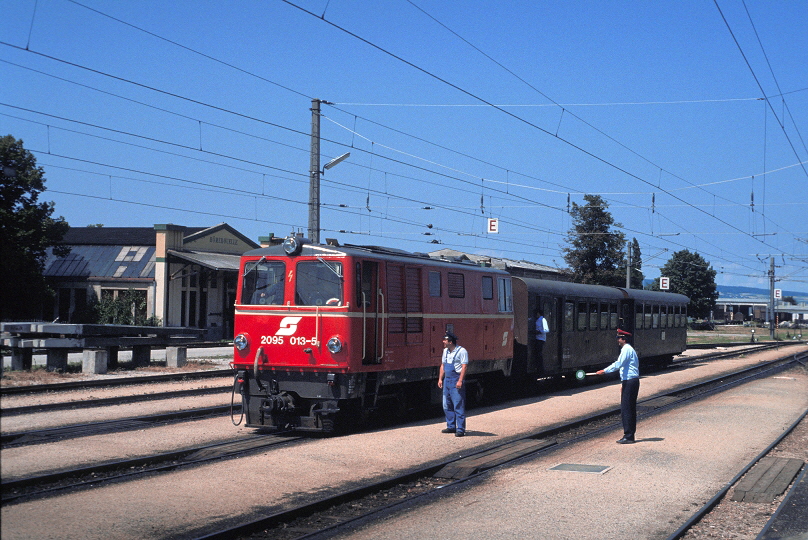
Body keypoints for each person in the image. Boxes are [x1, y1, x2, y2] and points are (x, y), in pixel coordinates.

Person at [597, 328, 640, 444]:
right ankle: (630, 434)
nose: (617, 340)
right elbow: (627, 368)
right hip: (631, 381)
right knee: (629, 408)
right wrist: (623, 383)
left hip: (630, 381)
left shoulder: (626, 350)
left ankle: (629, 436)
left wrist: (604, 371)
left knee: (627, 409)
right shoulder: (630, 350)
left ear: (623, 339)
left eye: (618, 338)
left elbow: (619, 364)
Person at [438, 332, 468, 437]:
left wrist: (460, 381)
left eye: (445, 340)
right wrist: (440, 379)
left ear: (450, 342)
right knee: (447, 405)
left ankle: (460, 429)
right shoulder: (445, 351)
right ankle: (451, 427)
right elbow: (442, 365)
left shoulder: (462, 351)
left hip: (456, 380)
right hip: (447, 380)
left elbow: (464, 367)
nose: (443, 341)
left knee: (458, 405)